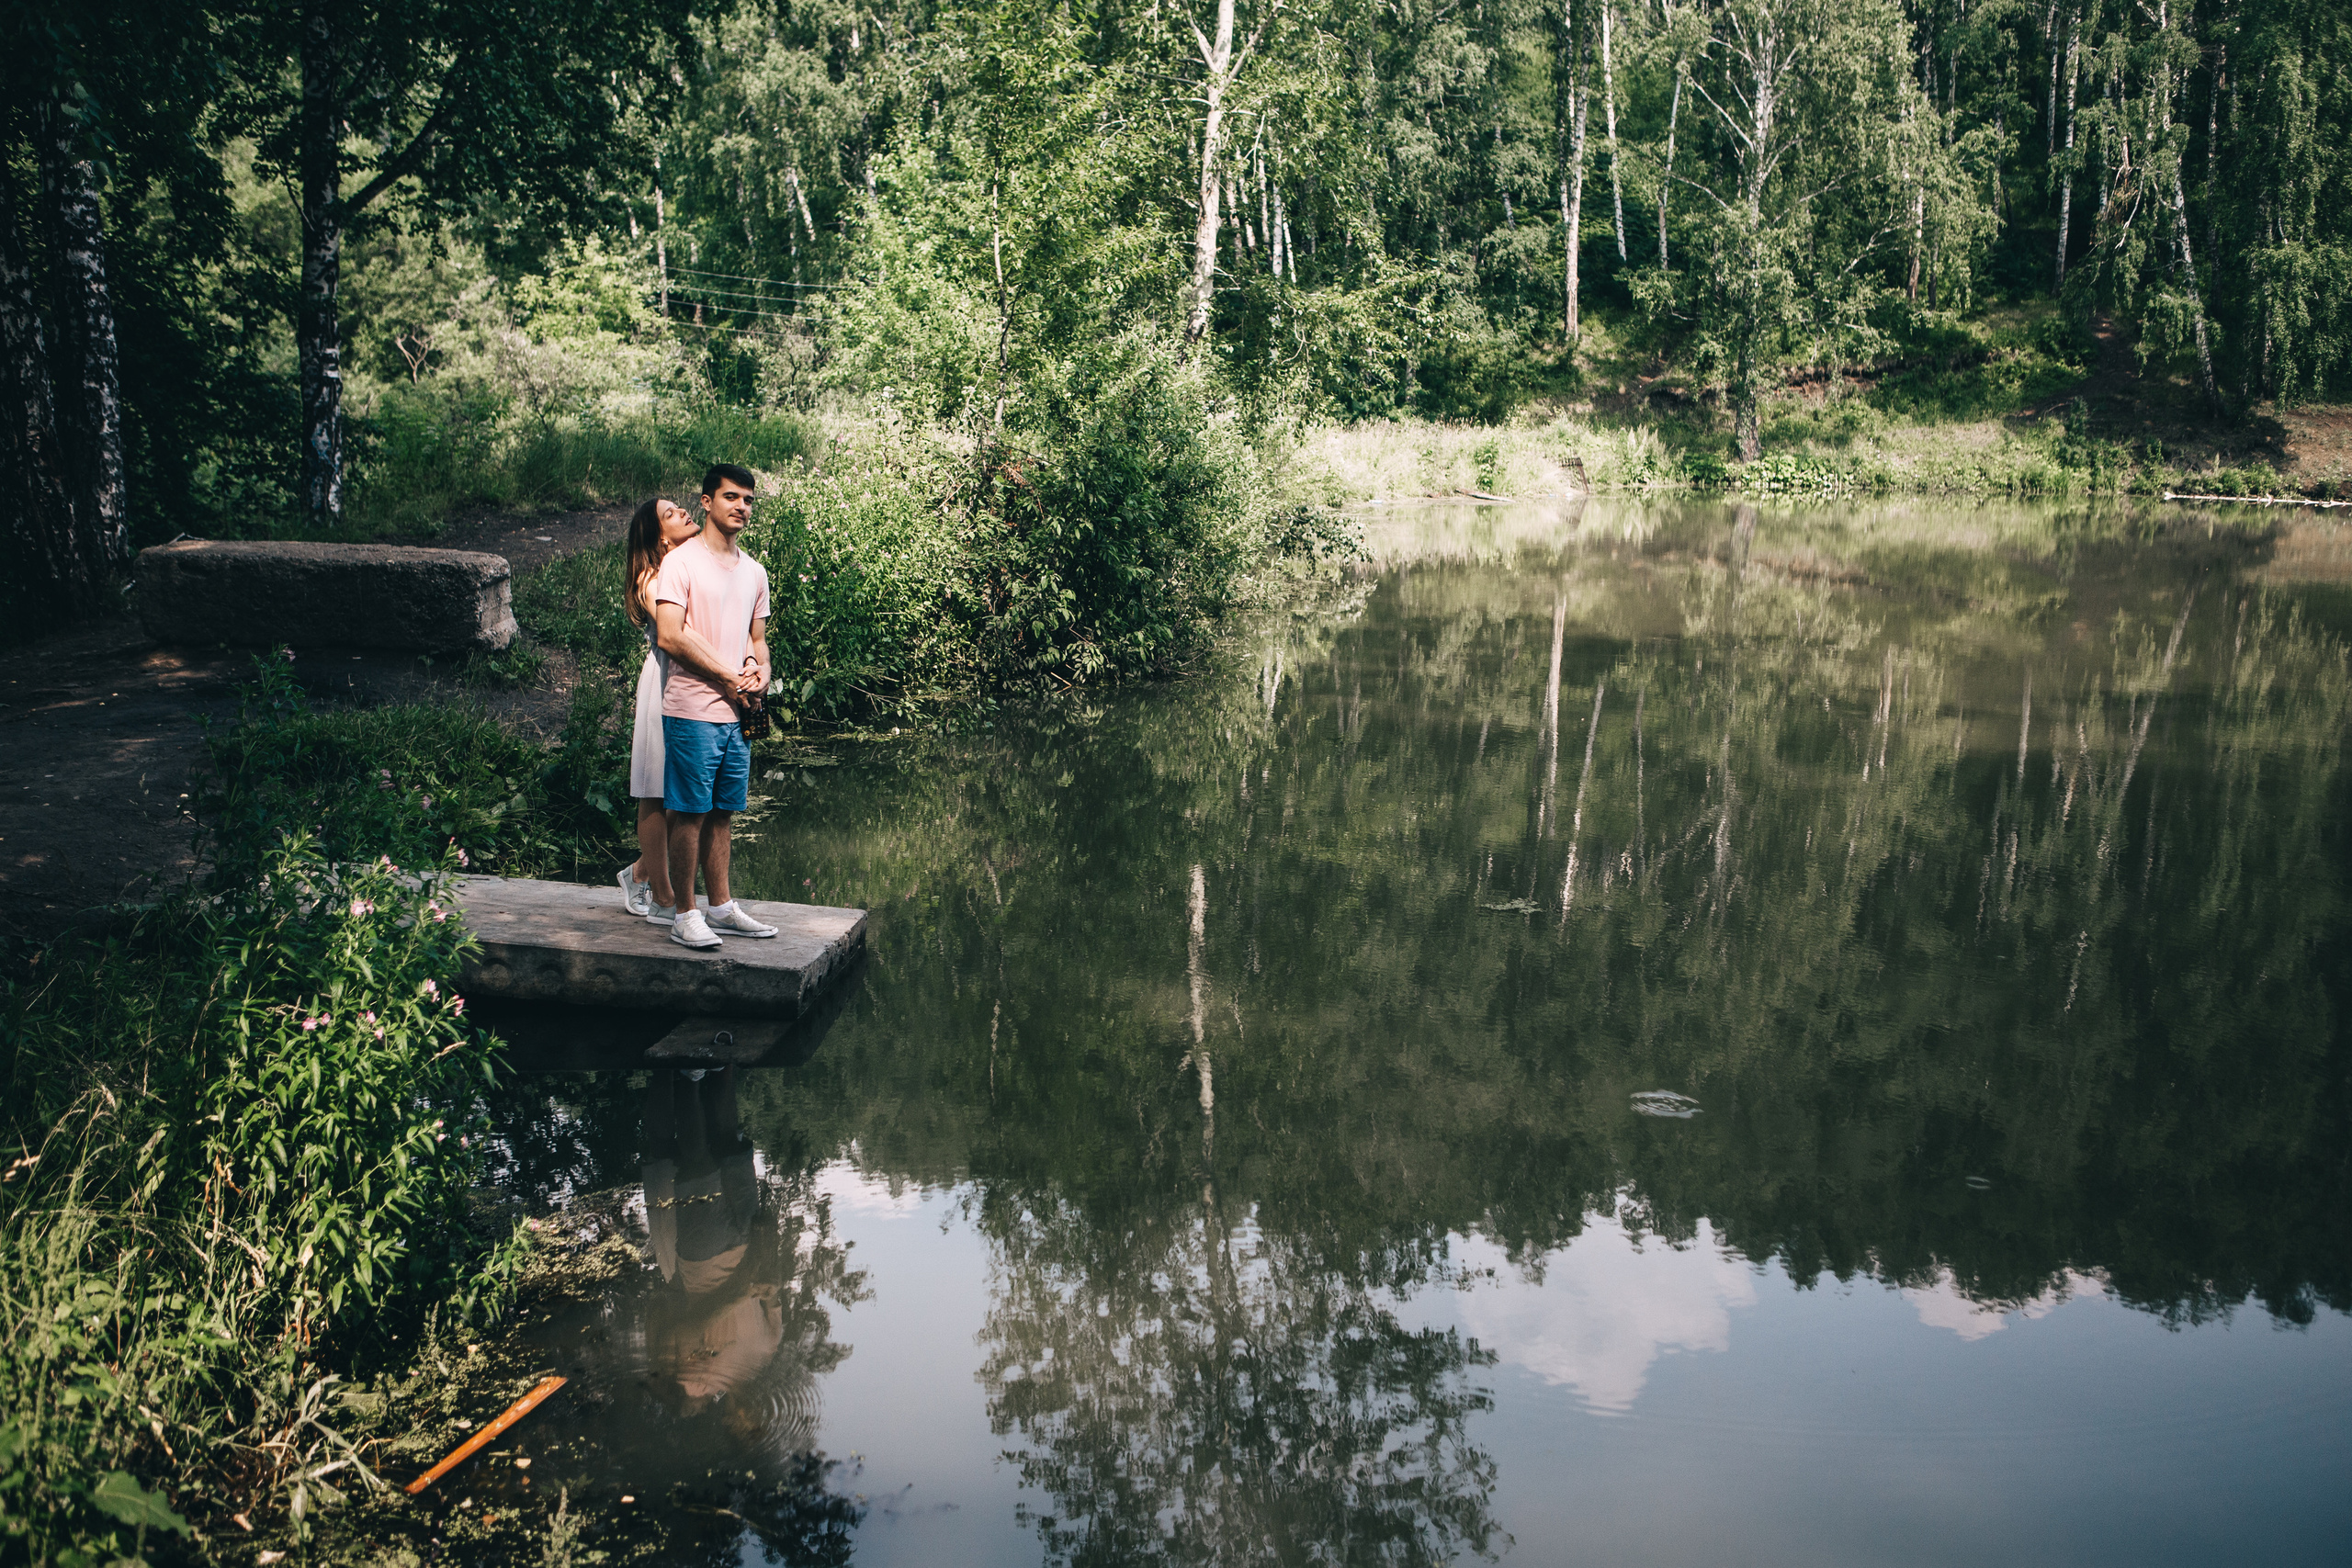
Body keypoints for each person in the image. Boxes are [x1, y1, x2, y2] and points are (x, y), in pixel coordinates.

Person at [652, 463, 778, 949]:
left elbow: (756, 639)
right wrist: (727, 677)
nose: (741, 507)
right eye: (731, 497)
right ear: (706, 502)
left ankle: (721, 907)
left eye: (748, 500)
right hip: (692, 708)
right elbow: (670, 635)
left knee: (724, 811)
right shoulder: (681, 562)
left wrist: (760, 671)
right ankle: (685, 914)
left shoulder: (754, 571)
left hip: (738, 712)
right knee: (689, 812)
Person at [616, 495, 703, 919]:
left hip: (694, 681)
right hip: (664, 680)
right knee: (655, 789)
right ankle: (664, 898)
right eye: (671, 514)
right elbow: (677, 632)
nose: (684, 512)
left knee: (684, 792)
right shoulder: (651, 578)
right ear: (659, 539)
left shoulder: (689, 565)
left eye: (679, 507)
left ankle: (638, 873)